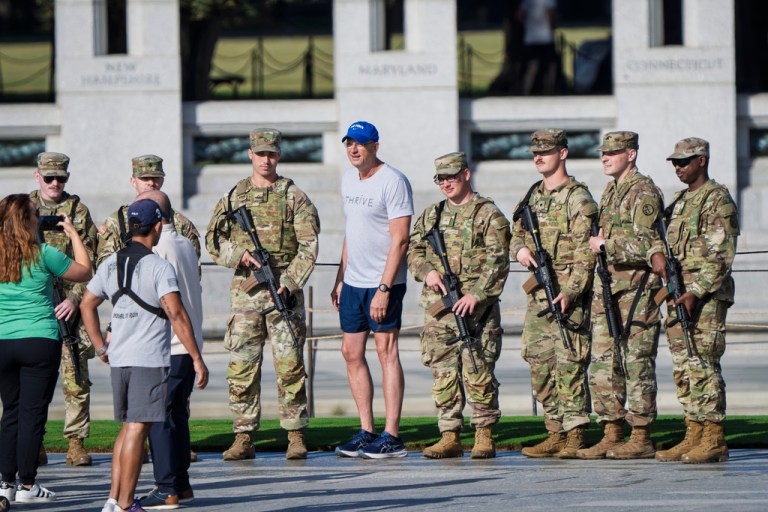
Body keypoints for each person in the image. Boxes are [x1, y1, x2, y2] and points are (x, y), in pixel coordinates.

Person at [81, 198, 208, 512]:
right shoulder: (158, 265)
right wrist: (196, 357)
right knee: (139, 428)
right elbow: (176, 314)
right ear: (157, 226)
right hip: (149, 357)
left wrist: (99, 345)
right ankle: (125, 504)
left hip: (119, 358)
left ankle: (114, 498)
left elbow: (86, 304)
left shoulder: (110, 263)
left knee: (128, 427)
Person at [206, 128, 319, 461]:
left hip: (282, 292)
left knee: (290, 366)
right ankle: (243, 436)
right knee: (242, 366)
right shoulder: (234, 197)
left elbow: (309, 245)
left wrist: (290, 281)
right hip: (247, 295)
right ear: (250, 154)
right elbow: (214, 239)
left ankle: (295, 434)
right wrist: (238, 255)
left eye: (272, 153)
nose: (266, 159)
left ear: (278, 155)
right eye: (261, 153)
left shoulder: (293, 195)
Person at [407, 152, 510, 459]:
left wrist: (476, 294)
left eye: (451, 176)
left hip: (477, 312)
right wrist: (429, 272)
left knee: (478, 371)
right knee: (443, 374)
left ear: (466, 174)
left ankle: (483, 433)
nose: (446, 183)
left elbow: (498, 261)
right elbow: (413, 251)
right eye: (441, 179)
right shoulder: (431, 215)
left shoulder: (488, 214)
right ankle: (449, 434)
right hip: (440, 311)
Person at [577, 132, 665, 460]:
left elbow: (648, 244)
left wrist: (605, 245)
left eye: (613, 153)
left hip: (637, 291)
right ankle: (612, 432)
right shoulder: (612, 191)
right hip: (609, 290)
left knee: (636, 363)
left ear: (631, 154)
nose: (605, 158)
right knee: (602, 364)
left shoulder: (643, 191)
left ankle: (641, 436)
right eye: (603, 153)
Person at [0, 193, 92, 504]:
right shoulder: (43, 254)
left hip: (2, 342)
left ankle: (4, 483)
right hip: (39, 340)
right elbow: (84, 271)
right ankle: (27, 485)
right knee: (32, 414)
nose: (41, 218)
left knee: (10, 412)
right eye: (36, 214)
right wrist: (73, 234)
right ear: (26, 222)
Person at [511, 129, 597, 459]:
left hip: (566, 296)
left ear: (563, 153)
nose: (538, 156)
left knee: (570, 363)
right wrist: (520, 252)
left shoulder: (578, 198)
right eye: (535, 152)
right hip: (538, 298)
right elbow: (515, 235)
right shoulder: (532, 195)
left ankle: (575, 434)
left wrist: (571, 290)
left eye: (546, 151)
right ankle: (555, 430)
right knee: (538, 361)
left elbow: (585, 252)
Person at [653, 138, 739, 464]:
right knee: (683, 367)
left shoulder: (718, 200)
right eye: (675, 162)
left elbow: (722, 255)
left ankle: (714, 436)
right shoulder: (677, 203)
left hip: (704, 297)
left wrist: (696, 291)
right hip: (678, 295)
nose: (678, 167)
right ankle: (693, 432)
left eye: (684, 161)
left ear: (702, 160)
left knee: (703, 363)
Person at [331, 121, 413, 459]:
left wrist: (384, 288)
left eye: (361, 144)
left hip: (384, 284)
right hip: (353, 282)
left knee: (385, 351)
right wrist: (340, 276)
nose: (354, 149)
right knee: (351, 353)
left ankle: (391, 434)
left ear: (375, 146)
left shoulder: (393, 181)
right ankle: (367, 429)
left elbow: (401, 239)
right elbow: (352, 232)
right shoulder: (349, 178)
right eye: (349, 143)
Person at [133, 191, 202, 509]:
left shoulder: (157, 250)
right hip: (186, 346)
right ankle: (181, 483)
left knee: (159, 418)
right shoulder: (185, 243)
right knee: (176, 416)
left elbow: (159, 303)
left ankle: (166, 487)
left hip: (168, 345)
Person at [29, 152, 98, 468]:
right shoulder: (22, 208)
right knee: (33, 381)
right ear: (38, 176)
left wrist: (74, 299)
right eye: (49, 178)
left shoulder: (77, 211)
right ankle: (35, 442)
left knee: (76, 378)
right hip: (35, 306)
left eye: (61, 178)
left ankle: (75, 442)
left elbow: (92, 261)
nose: (55, 183)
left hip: (69, 306)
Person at [96, 155, 200, 268]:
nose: (151, 182)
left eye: (156, 178)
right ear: (133, 181)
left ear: (162, 181)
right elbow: (104, 265)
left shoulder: (181, 223)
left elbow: (193, 269)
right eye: (145, 178)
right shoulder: (116, 221)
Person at [517, 0, 558, 95]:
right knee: (551, 65)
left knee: (532, 65)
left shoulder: (526, 1)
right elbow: (550, 14)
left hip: (530, 37)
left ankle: (526, 90)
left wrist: (529, 24)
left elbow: (520, 16)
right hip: (546, 37)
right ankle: (549, 90)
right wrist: (553, 25)